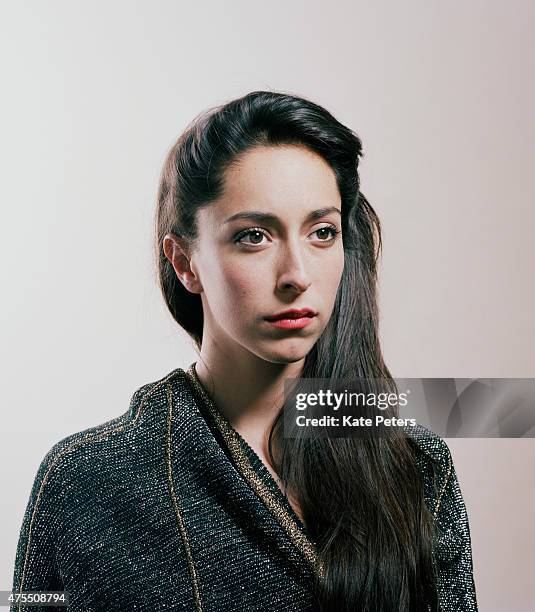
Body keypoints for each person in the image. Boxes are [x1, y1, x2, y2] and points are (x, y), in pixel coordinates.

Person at [11, 90, 478, 611]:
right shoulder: (86, 483)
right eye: (254, 236)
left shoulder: (413, 465)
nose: (298, 276)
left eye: (322, 232)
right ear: (185, 261)